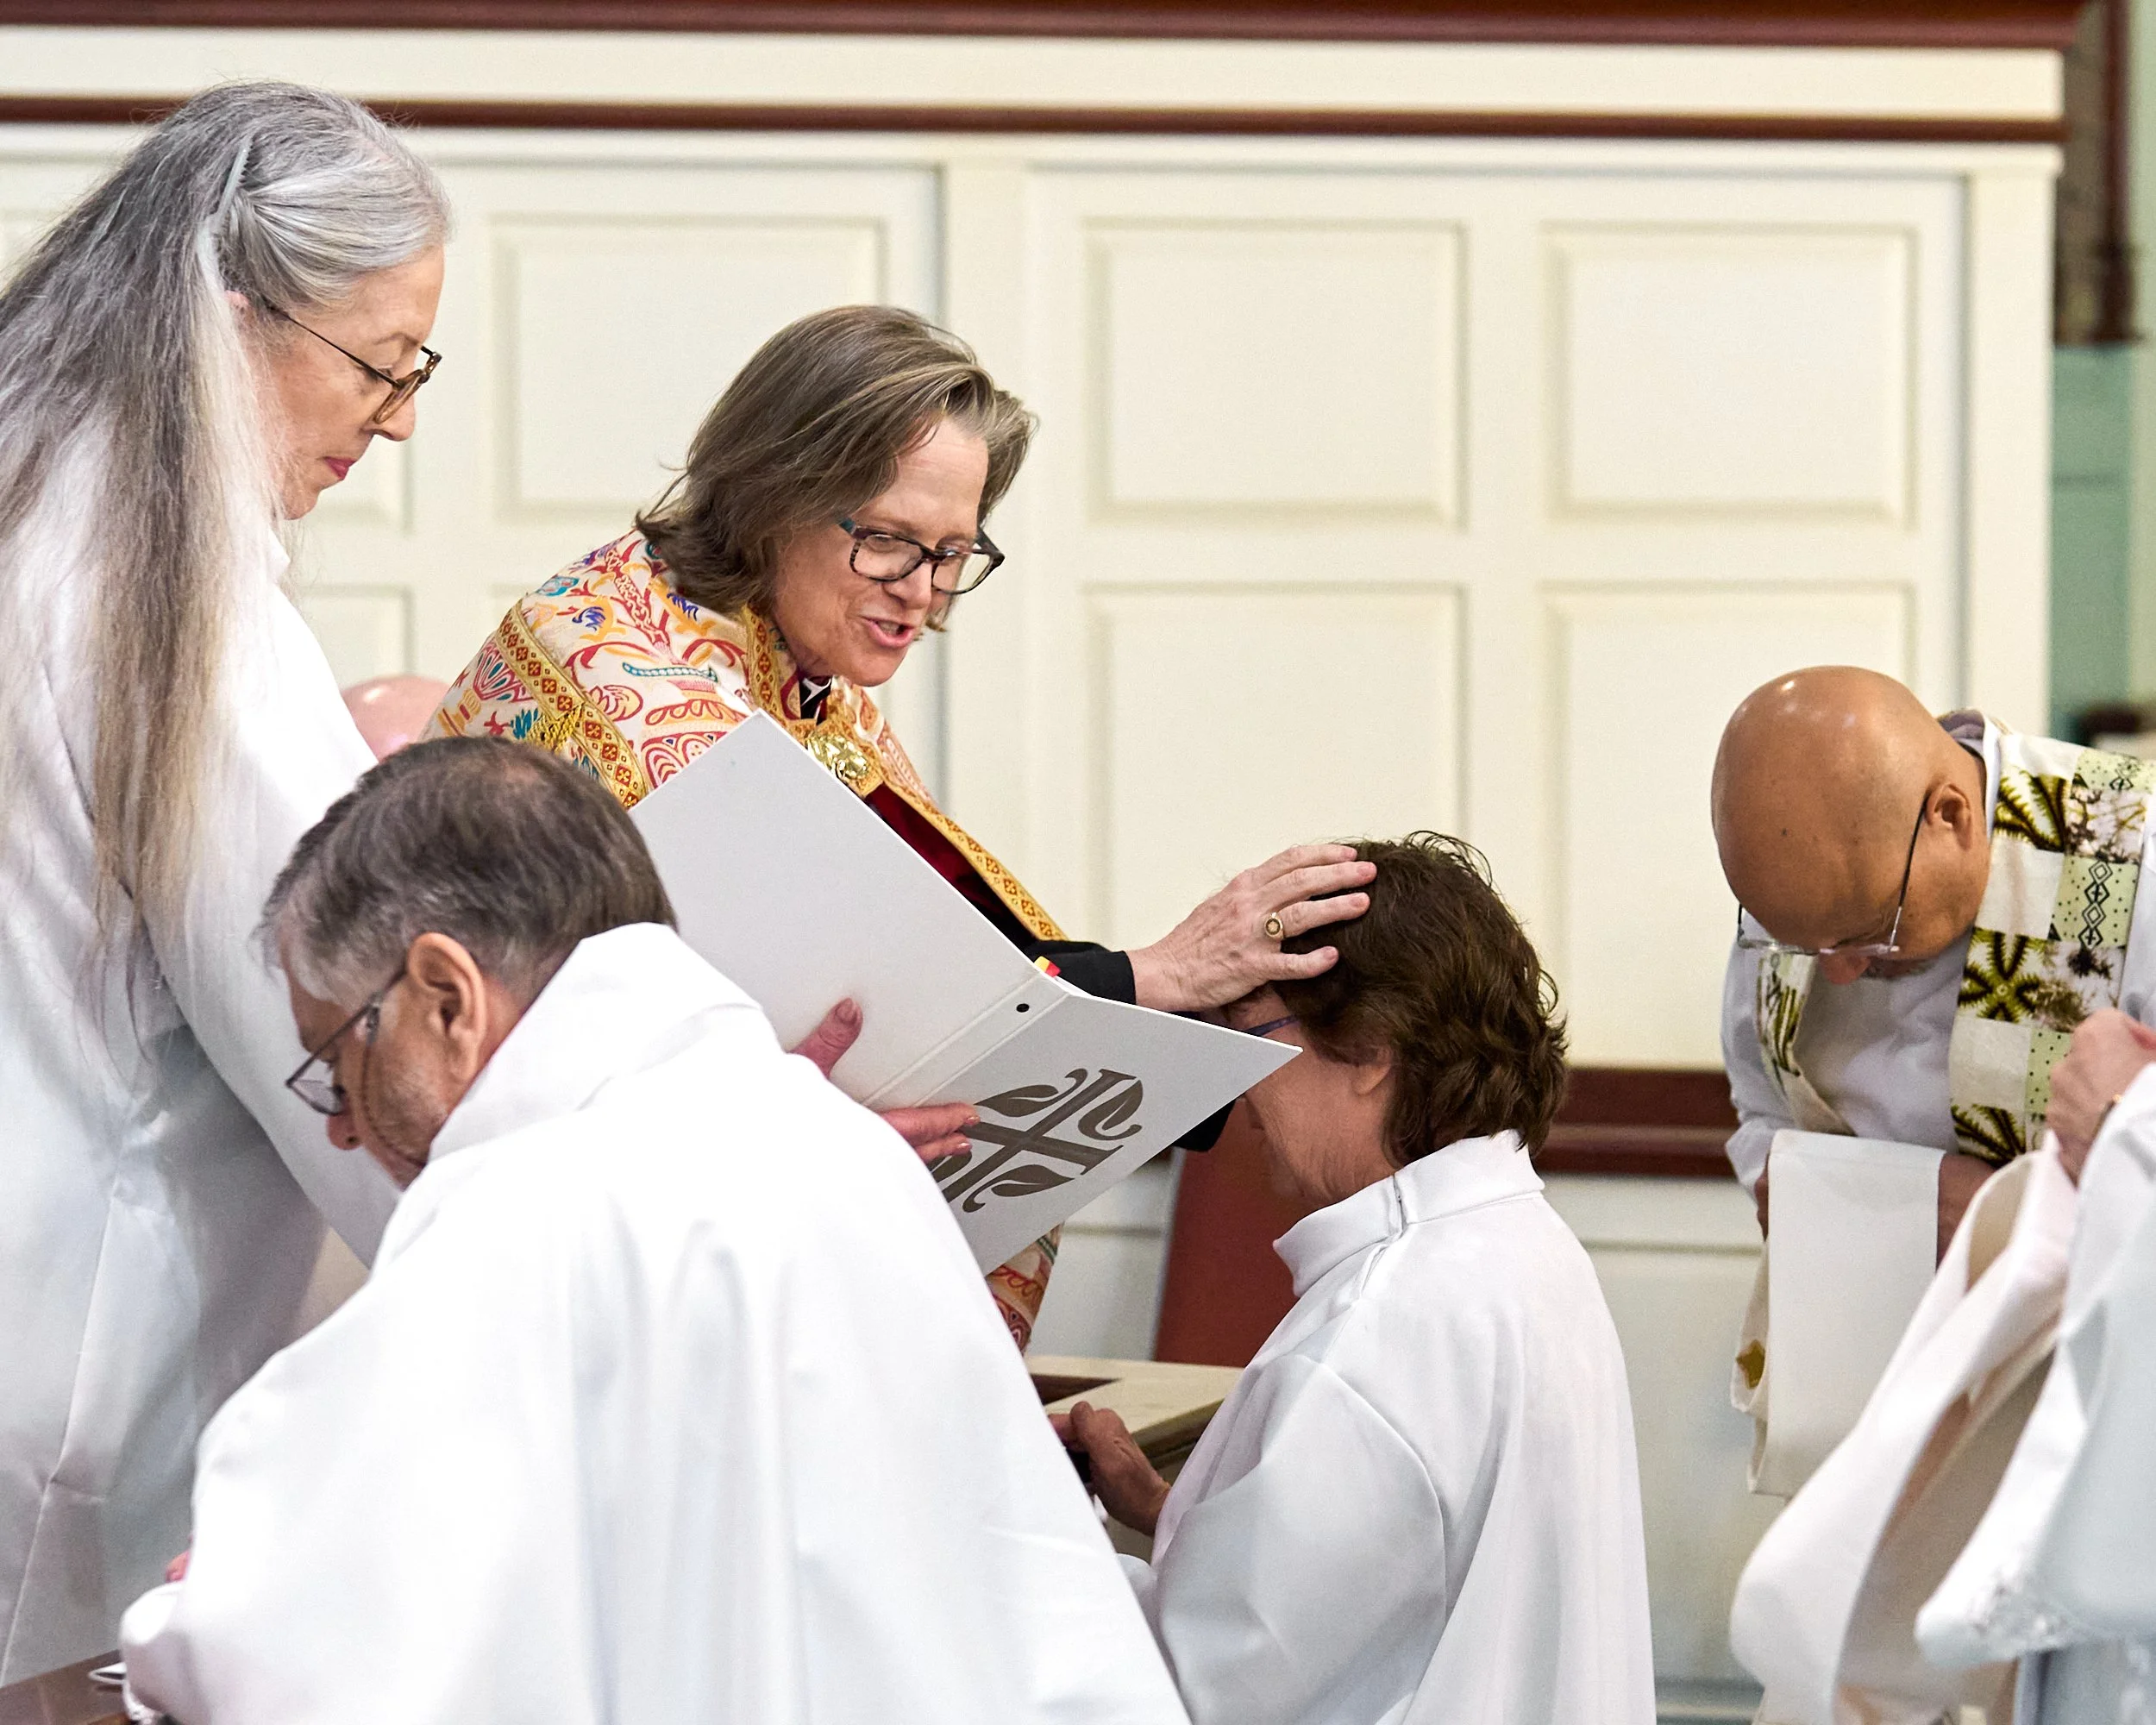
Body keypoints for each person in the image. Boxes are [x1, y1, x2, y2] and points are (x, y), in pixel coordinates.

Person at [116, 736, 1190, 1725]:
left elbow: (282, 1657)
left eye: (338, 1058)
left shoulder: (523, 1206)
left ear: (445, 996)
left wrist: (214, 1596)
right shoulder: (839, 1146)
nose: (342, 1126)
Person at [429, 304, 1373, 1346]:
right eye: (888, 541)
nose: (923, 593)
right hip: (563, 1266)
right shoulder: (616, 666)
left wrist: (1194, 1005)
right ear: (773, 493)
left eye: (952, 552)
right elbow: (870, 1006)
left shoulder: (794, 668)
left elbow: (944, 965)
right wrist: (1154, 975)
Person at [0, 83, 448, 1679]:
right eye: (381, 365)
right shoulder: (160, 587)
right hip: (68, 1350)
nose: (396, 420)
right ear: (231, 314)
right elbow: (340, 996)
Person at [1056, 833, 1655, 1725]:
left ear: (1371, 1048)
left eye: (1251, 1035)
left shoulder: (1374, 1330)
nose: (1239, 1092)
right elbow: (1407, 1581)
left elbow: (1195, 1691)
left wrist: (1027, 1529)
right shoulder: (1522, 1247)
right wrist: (1180, 1518)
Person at [1713, 667, 2156, 1486]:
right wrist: (1884, 1206)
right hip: (1866, 1384)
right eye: (1804, 945)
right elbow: (1759, 1113)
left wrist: (1998, 1219)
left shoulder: (2132, 857)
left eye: (1869, 934)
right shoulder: (1807, 880)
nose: (1836, 972)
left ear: (1951, 815)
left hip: (2082, 1414)